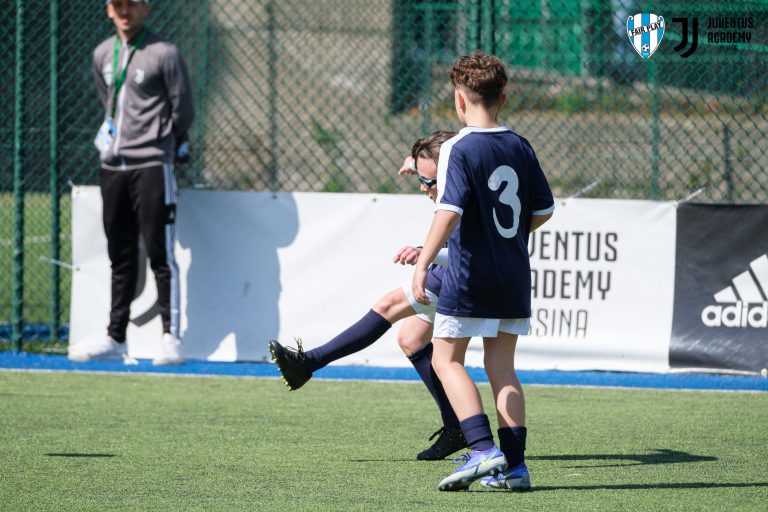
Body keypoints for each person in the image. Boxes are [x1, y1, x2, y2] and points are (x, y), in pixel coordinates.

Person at [269, 131, 468, 460]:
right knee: (412, 339)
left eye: (427, 181)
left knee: (389, 306)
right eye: (420, 180)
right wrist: (417, 164)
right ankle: (457, 427)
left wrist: (425, 253)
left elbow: (463, 249)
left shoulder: (461, 194)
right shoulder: (455, 174)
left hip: (460, 273)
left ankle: (308, 363)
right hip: (453, 267)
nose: (423, 188)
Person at [411, 52, 554, 491]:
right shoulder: (520, 145)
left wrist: (423, 262)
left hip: (471, 274)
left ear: (459, 99)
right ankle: (515, 468)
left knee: (445, 358)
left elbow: (448, 211)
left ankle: (482, 450)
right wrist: (505, 238)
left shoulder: (458, 147)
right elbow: (544, 210)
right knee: (502, 366)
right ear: (503, 98)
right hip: (514, 274)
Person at [69, 0, 194, 365]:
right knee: (120, 254)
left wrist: (162, 143)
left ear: (146, 8)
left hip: (152, 164)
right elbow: (108, 101)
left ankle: (171, 338)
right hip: (113, 167)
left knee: (159, 252)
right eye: (118, 5)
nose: (125, 12)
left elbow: (183, 109)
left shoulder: (164, 53)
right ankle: (115, 337)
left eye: (132, 4)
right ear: (109, 10)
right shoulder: (102, 54)